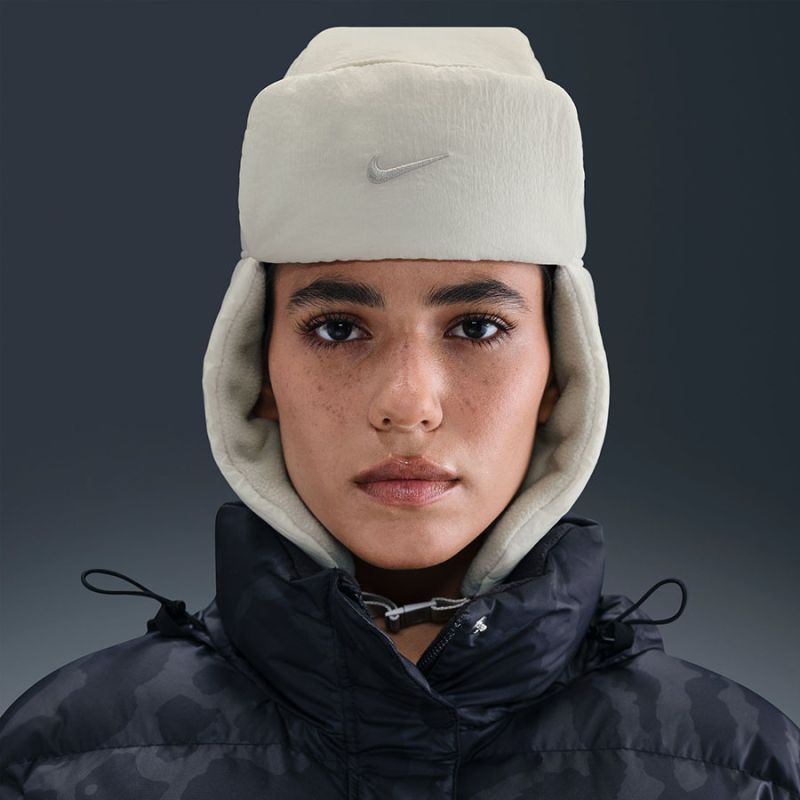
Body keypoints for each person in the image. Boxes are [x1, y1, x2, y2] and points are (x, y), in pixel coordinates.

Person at [1, 25, 798, 799]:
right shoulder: (61, 768)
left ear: (561, 373)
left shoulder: (739, 774)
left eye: (476, 328)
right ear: (256, 371)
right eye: (337, 329)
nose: (407, 406)